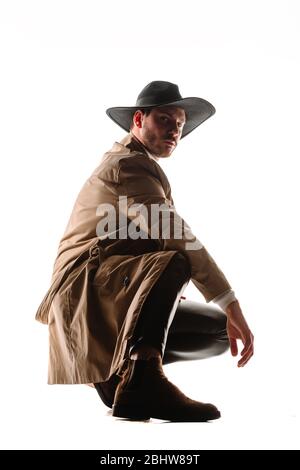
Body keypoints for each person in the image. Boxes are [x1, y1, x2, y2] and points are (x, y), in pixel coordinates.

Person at [35, 80, 254, 422]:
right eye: (165, 120)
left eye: (180, 125)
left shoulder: (142, 167)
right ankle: (143, 376)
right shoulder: (127, 166)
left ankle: (121, 376)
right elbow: (176, 236)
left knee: (219, 331)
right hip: (83, 294)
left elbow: (139, 240)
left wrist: (157, 293)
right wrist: (230, 300)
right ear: (139, 120)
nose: (174, 131)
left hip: (108, 293)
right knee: (178, 260)